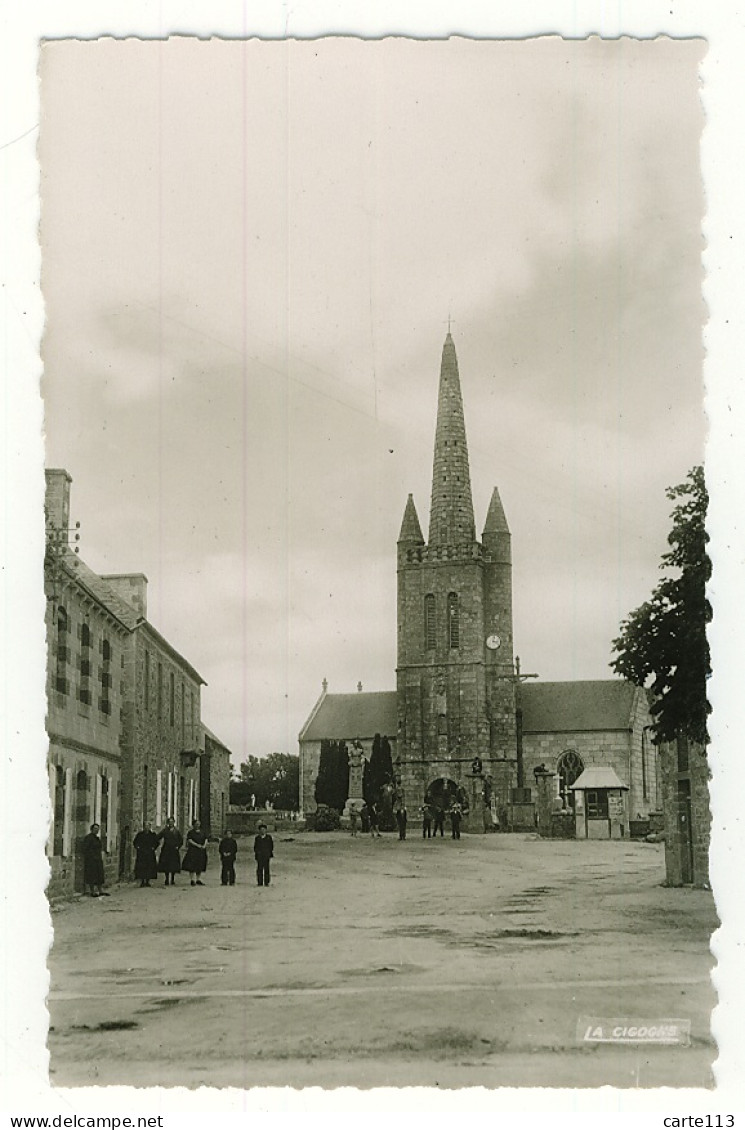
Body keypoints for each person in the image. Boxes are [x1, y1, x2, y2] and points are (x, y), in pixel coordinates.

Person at [81, 823, 108, 897]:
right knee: (92, 875)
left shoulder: (97, 838)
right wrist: (91, 856)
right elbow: (85, 848)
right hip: (91, 860)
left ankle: (100, 890)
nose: (97, 830)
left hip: (98, 859)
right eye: (95, 829)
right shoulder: (88, 838)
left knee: (99, 875)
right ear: (91, 829)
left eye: (98, 829)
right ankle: (92, 891)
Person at [157, 816, 183, 886]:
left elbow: (181, 840)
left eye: (172, 822)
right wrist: (157, 844)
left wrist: (178, 846)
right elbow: (158, 837)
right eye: (169, 822)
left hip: (174, 850)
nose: (171, 823)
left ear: (174, 822)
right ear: (168, 823)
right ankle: (166, 879)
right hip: (166, 849)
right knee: (166, 865)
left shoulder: (176, 831)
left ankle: (172, 879)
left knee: (173, 865)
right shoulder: (165, 830)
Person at [182, 818, 208, 886]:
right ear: (193, 825)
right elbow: (189, 840)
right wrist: (197, 845)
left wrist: (204, 845)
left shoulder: (203, 832)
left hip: (201, 851)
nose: (197, 825)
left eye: (198, 824)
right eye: (196, 824)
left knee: (200, 865)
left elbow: (206, 839)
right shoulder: (191, 832)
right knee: (192, 866)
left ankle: (198, 879)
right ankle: (192, 880)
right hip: (193, 851)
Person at [133, 820, 159, 887]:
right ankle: (142, 881)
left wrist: (153, 848)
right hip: (142, 854)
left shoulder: (152, 835)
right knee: (142, 867)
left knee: (149, 867)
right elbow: (135, 842)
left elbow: (156, 842)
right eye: (145, 826)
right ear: (143, 827)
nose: (146, 827)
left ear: (150, 827)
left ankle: (147, 881)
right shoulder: (140, 835)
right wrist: (138, 847)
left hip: (150, 853)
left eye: (148, 826)